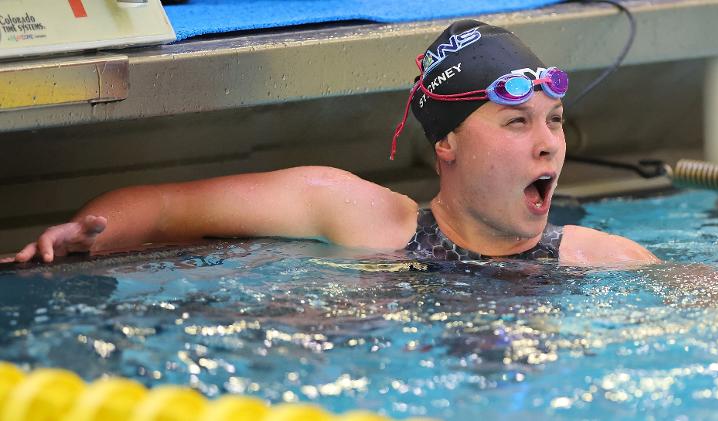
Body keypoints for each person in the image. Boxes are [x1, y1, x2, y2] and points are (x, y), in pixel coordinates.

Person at [2, 20, 659, 267]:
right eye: (518, 123)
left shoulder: (603, 259)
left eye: (554, 121)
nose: (548, 145)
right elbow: (169, 207)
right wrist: (89, 231)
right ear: (447, 144)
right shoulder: (357, 215)